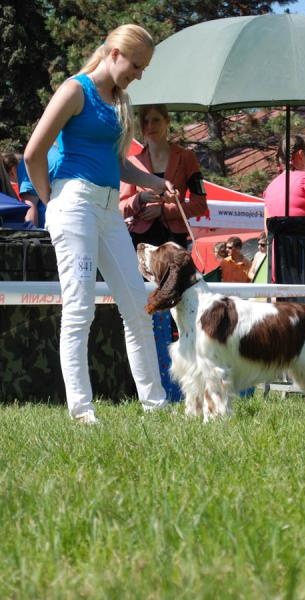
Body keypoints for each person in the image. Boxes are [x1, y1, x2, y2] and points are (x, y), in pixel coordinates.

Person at [24, 24, 179, 423]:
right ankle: (83, 413)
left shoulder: (120, 101)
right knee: (80, 309)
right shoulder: (75, 90)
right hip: (73, 204)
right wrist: (51, 201)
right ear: (113, 53)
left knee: (138, 307)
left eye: (144, 68)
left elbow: (118, 163)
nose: (139, 74)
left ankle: (156, 406)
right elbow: (32, 153)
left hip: (110, 211)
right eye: (136, 65)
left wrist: (154, 182)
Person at [120, 103, 207, 249]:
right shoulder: (132, 163)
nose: (150, 126)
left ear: (167, 121)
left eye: (156, 120)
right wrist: (139, 199)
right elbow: (120, 208)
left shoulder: (187, 158)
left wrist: (164, 211)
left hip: (175, 242)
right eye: (145, 121)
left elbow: (200, 205)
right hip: (140, 243)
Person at [17, 144, 60, 227]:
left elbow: (30, 206)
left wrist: (29, 237)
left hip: (50, 232)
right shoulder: (78, 156)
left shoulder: (33, 158)